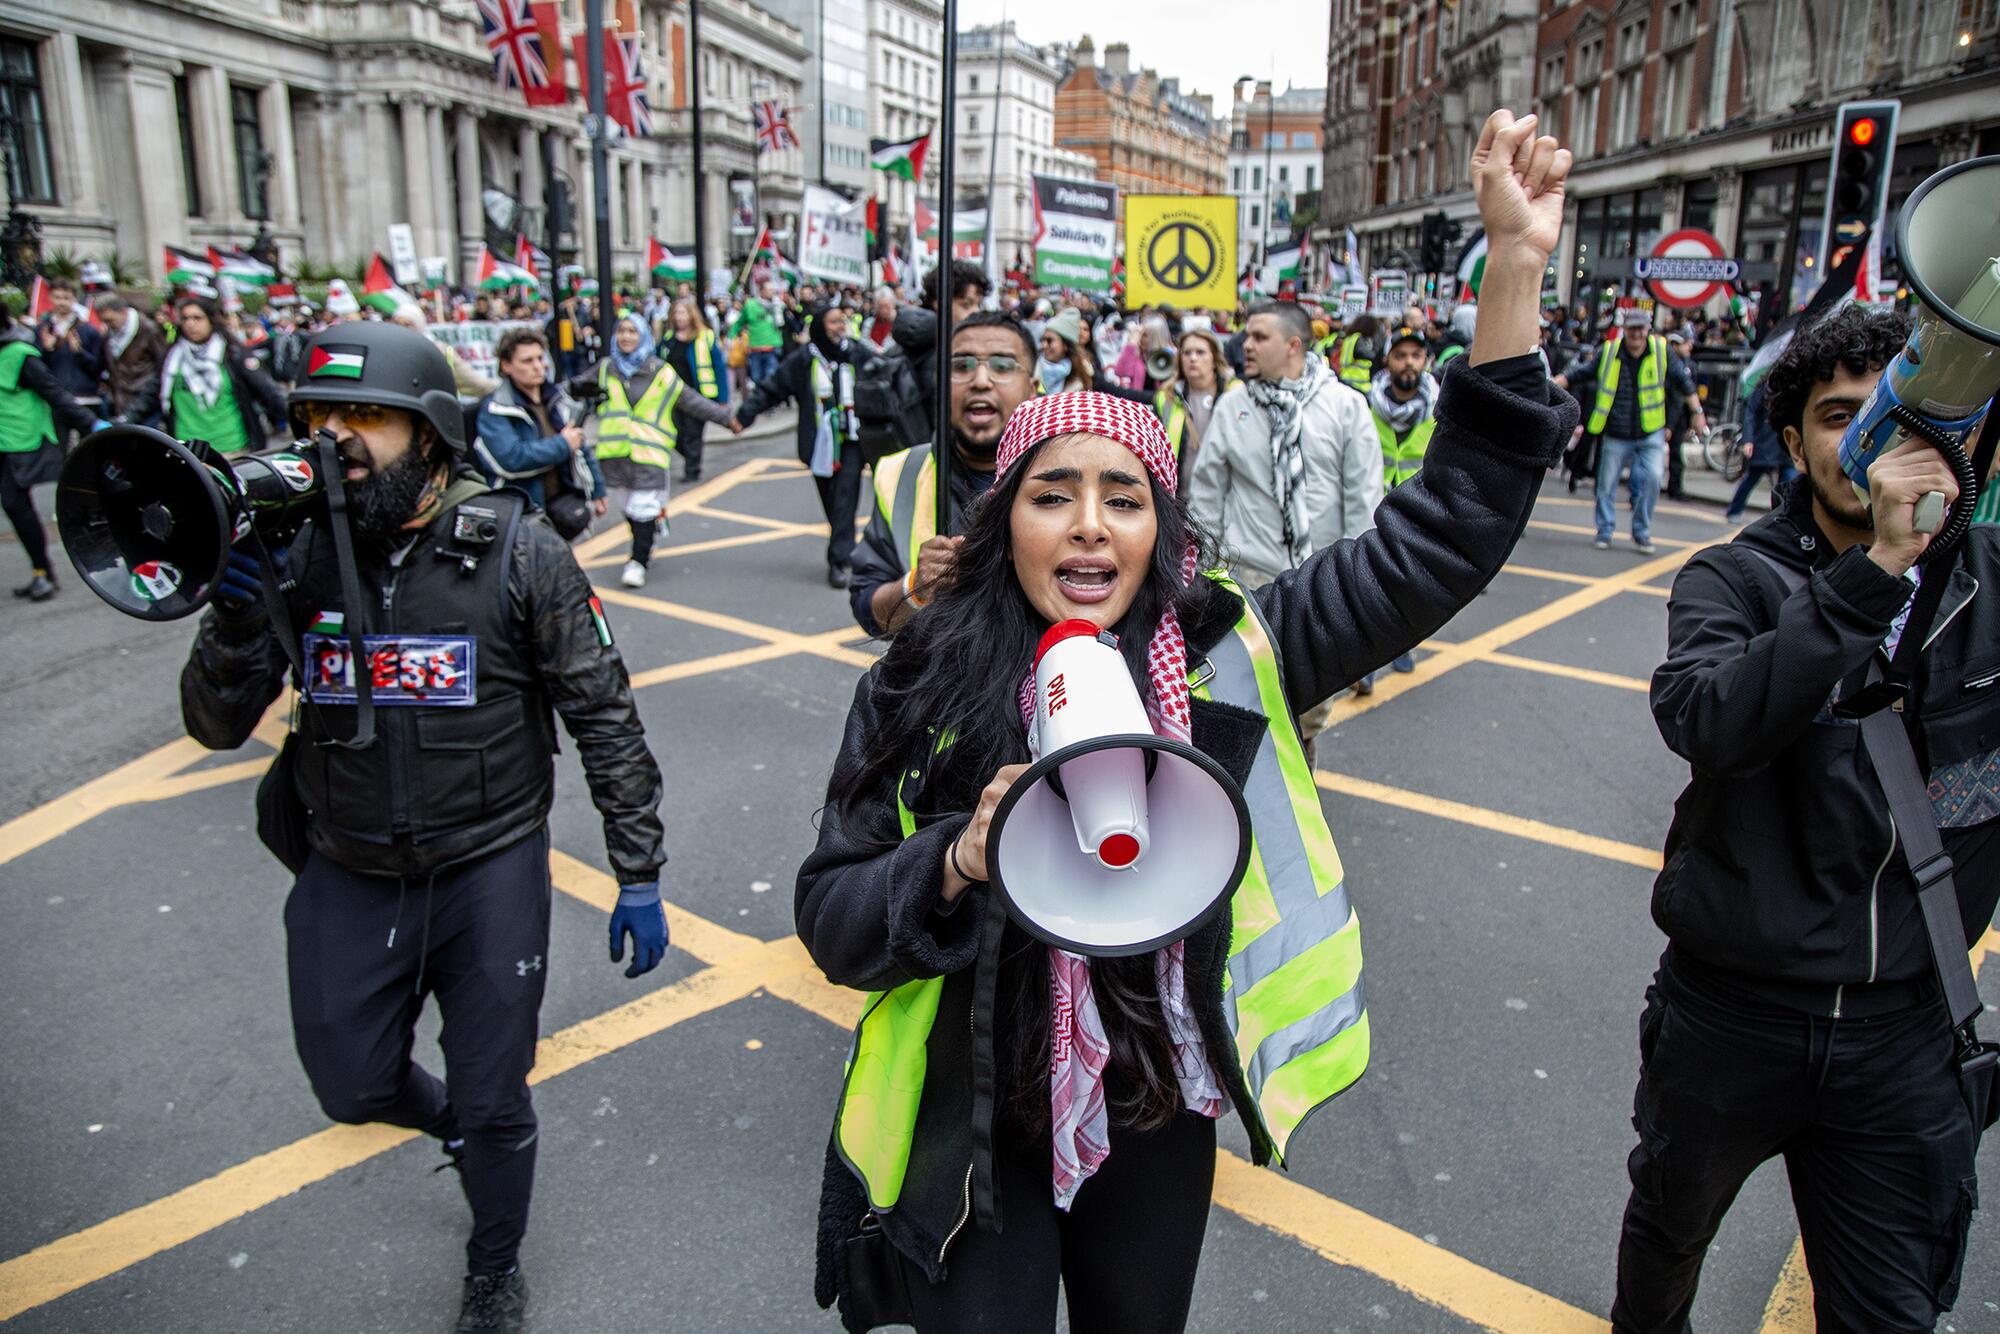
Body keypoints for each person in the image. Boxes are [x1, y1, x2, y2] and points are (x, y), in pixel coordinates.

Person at [797, 108, 1577, 1333]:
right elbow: (832, 919)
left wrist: (1515, 270)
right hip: (975, 1116)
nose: (1091, 525)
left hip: (1155, 1108)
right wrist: (953, 858)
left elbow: (1443, 537)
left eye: (1125, 497)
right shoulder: (917, 676)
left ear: (1162, 529)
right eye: (1051, 494)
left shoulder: (1229, 651)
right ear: (1008, 522)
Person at [179, 321, 667, 1334]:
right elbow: (215, 725)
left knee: (496, 1098)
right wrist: (231, 620)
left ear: (433, 435)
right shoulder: (297, 550)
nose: (334, 440)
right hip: (346, 860)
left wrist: (637, 868)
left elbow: (603, 711)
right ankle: (445, 1117)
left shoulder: (519, 552)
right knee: (350, 1083)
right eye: (315, 416)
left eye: (365, 418)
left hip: (487, 862)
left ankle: (493, 1261)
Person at [1617, 302, 1998, 1334]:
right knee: (1666, 1235)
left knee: (1887, 1308)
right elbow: (1706, 719)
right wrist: (1869, 571)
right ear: (1791, 441)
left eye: (1899, 414)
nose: (1870, 439)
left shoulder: (1988, 583)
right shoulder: (1731, 578)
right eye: (1839, 415)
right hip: (1730, 1013)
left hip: (1906, 1028)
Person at [1184, 298, 1383, 709]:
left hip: (1320, 585)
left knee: (1310, 710)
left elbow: (1362, 501)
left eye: (1260, 337)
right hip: (1249, 586)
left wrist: (1352, 591)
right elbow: (1207, 494)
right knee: (1251, 706)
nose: (1247, 345)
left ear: (1294, 345)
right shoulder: (1233, 406)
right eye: (1247, 336)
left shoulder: (1346, 406)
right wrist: (1210, 574)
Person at [851, 312, 1037, 635]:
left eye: (1003, 366)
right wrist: (916, 589)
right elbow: (870, 608)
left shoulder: (1071, 477)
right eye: (962, 366)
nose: (980, 380)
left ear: (1031, 387)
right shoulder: (903, 473)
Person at [587, 310, 735, 589]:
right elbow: (572, 390)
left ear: (644, 336)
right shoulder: (606, 368)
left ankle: (638, 561)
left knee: (642, 507)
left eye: (632, 331)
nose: (626, 336)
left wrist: (728, 418)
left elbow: (692, 401)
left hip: (650, 454)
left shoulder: (660, 371)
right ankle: (650, 531)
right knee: (628, 507)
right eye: (622, 331)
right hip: (614, 454)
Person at [731, 304, 869, 588]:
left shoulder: (856, 352)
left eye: (841, 321)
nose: (839, 326)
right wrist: (744, 415)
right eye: (832, 322)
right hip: (819, 443)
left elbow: (886, 375)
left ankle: (840, 559)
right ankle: (841, 543)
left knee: (846, 498)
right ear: (819, 326)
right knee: (832, 500)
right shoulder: (804, 358)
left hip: (852, 442)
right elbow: (773, 387)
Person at [1554, 308, 1707, 554]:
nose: (1636, 334)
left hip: (1650, 431)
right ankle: (1605, 530)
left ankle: (1642, 532)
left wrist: (1697, 413)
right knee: (1605, 484)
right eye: (1632, 328)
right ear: (1625, 330)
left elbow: (1683, 382)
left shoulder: (1660, 350)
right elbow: (1582, 373)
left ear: (1648, 329)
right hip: (1617, 432)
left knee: (1653, 478)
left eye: (1640, 328)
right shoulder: (1610, 351)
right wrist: (1553, 381)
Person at [1, 306, 100, 600]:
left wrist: (91, 423)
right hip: (2, 444)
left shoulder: (20, 354)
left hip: (24, 441)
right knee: (13, 505)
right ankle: (41, 570)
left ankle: (46, 570)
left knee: (22, 501)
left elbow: (54, 393)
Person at [473, 327, 606, 537]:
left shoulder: (556, 399)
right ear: (506, 366)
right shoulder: (496, 409)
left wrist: (598, 490)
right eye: (527, 361)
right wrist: (562, 444)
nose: (538, 367)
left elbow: (580, 445)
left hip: (561, 507)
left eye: (539, 358)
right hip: (521, 517)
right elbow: (512, 458)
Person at [1368, 325, 1443, 674]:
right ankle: (1362, 667)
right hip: (1372, 510)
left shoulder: (1440, 409)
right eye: (1401, 356)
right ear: (1388, 361)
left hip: (1418, 513)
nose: (1408, 363)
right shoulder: (1365, 405)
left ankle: (1402, 646)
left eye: (1415, 355)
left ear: (1426, 360)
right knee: (1364, 588)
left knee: (1411, 591)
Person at [158, 294, 289, 453]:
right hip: (188, 453)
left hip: (231, 450)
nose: (190, 324)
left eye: (197, 318)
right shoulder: (172, 359)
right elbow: (149, 396)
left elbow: (269, 391)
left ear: (211, 320)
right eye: (185, 319)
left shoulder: (233, 354)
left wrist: (303, 421)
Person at [660, 296, 728, 484]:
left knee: (693, 432)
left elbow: (719, 367)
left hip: (698, 396)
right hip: (672, 395)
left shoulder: (705, 336)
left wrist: (723, 399)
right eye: (675, 313)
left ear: (691, 314)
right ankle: (691, 457)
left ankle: (692, 469)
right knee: (674, 431)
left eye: (682, 312)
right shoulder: (668, 339)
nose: (679, 317)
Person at [1722, 383, 1797, 523]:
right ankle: (1734, 511)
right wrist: (1748, 440)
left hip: (1787, 445)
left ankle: (1781, 519)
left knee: (1788, 485)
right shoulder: (1766, 387)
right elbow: (1750, 412)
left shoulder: (1798, 386)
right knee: (1752, 478)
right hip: (1766, 441)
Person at [1168, 326, 1234, 475]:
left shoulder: (1234, 393)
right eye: (1187, 353)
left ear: (1214, 358)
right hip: (1179, 494)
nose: (1192, 358)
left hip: (1223, 493)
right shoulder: (1166, 397)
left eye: (1200, 352)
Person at [36, 278, 105, 420]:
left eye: (66, 298)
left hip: (86, 398)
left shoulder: (88, 330)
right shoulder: (41, 330)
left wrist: (79, 352)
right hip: (55, 399)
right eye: (57, 297)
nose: (62, 302)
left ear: (74, 298)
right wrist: (47, 349)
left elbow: (99, 367)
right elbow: (35, 368)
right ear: (50, 298)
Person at [94, 293, 166, 426]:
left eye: (110, 320)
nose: (108, 325)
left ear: (122, 311)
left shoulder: (149, 329)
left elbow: (163, 367)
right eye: (104, 321)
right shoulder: (109, 335)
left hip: (146, 402)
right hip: (119, 404)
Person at [730, 278, 787, 388]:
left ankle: (770, 403)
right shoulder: (750, 305)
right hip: (755, 347)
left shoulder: (778, 305)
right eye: (769, 290)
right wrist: (731, 337)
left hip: (772, 347)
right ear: (761, 291)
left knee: (771, 377)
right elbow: (739, 323)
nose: (772, 292)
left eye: (773, 290)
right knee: (756, 379)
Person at [1334, 313, 1380, 391]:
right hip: (1358, 382)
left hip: (1346, 377)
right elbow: (1368, 355)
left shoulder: (1350, 338)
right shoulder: (1360, 339)